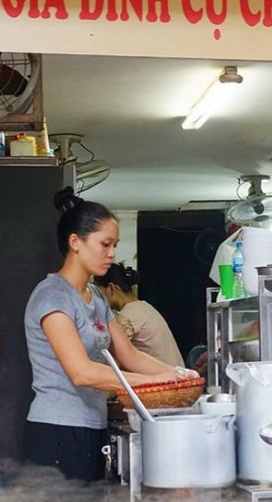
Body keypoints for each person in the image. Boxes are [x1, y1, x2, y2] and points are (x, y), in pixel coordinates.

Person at [23, 187, 198, 483]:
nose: (112, 254)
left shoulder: (96, 297)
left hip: (92, 427)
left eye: (114, 244)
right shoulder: (53, 297)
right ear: (75, 242)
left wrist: (179, 375)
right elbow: (82, 373)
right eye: (105, 244)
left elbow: (128, 355)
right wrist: (154, 384)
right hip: (57, 432)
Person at [94, 262, 185, 367]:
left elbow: (110, 361)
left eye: (98, 292)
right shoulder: (144, 308)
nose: (96, 299)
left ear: (111, 288)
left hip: (164, 380)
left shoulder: (127, 317)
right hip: (177, 375)